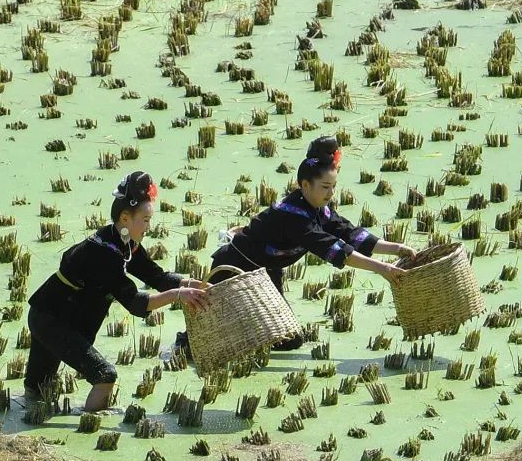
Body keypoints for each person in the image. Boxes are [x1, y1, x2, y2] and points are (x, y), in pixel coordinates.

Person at [177, 136, 414, 353]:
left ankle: (248, 338)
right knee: (198, 344)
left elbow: (351, 235)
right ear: (305, 185)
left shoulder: (320, 209)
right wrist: (382, 269)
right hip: (234, 269)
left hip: (267, 274)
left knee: (288, 340)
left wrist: (396, 248)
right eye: (325, 187)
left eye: (333, 186)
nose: (331, 193)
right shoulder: (294, 216)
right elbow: (336, 251)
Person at [21, 171, 208, 413]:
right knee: (105, 375)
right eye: (146, 219)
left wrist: (193, 285)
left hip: (61, 316)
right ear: (125, 218)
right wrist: (178, 296)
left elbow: (157, 277)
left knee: (38, 389)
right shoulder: (104, 254)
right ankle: (88, 426)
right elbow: (135, 302)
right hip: (50, 319)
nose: (149, 227)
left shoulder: (123, 242)